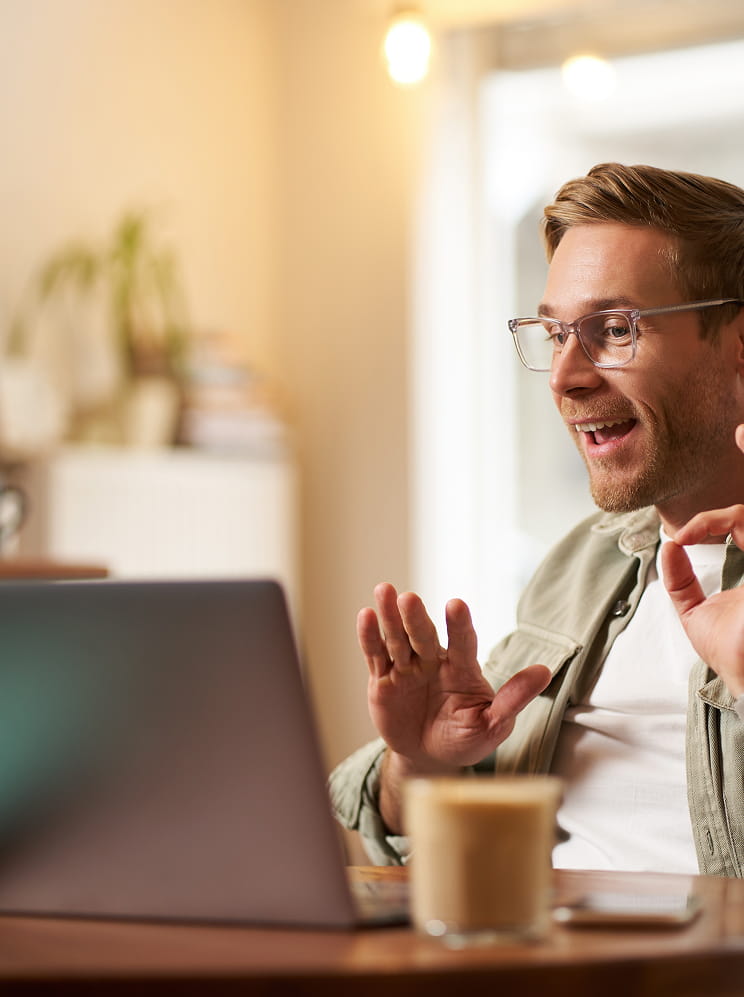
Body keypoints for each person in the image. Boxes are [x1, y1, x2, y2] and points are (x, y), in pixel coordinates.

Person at [329, 162, 744, 878]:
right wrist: (419, 763)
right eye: (555, 335)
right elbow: (407, 823)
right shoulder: (580, 568)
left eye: (613, 330)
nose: (564, 376)